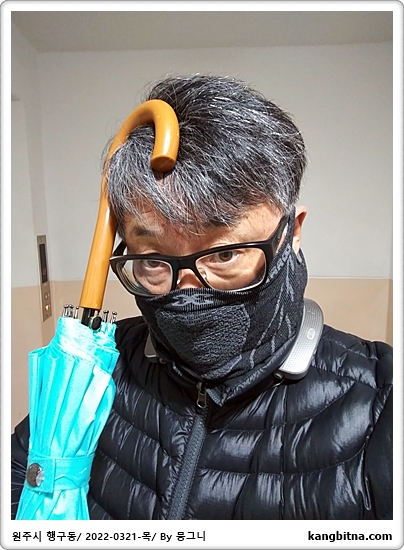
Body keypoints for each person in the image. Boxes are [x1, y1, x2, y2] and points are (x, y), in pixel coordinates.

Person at [11, 74, 392, 520]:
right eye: (152, 259)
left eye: (225, 254)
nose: (187, 293)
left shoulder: (380, 405)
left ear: (292, 232)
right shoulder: (90, 375)